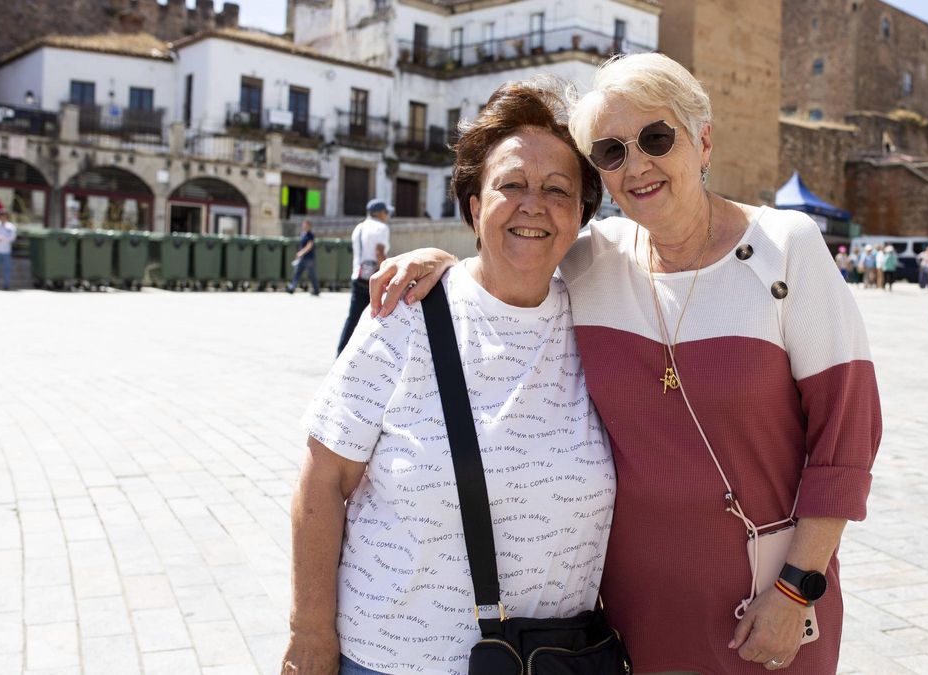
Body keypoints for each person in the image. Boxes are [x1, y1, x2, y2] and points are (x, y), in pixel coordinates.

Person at [370, 52, 882, 674]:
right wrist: (440, 261)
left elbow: (847, 439)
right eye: (611, 152)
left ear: (703, 141)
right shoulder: (595, 260)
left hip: (768, 600)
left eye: (656, 138)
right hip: (633, 617)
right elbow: (514, 249)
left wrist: (797, 587)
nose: (636, 164)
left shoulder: (786, 249)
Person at [282, 81, 613, 675]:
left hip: (552, 661)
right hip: (391, 661)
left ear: (581, 216)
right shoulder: (404, 312)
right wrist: (309, 636)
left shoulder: (601, 320)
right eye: (510, 185)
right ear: (473, 206)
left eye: (557, 190)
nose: (532, 203)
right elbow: (322, 481)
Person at [336, 200, 391, 355]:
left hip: (358, 275)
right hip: (374, 279)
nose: (387, 216)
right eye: (386, 212)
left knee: (353, 318)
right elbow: (380, 251)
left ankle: (341, 353)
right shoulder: (381, 228)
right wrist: (386, 274)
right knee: (380, 318)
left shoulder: (358, 228)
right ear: (380, 213)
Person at [286, 219, 320, 295]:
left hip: (309, 259)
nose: (304, 226)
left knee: (312, 275)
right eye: (304, 225)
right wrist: (298, 256)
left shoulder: (310, 235)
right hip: (302, 258)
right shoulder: (303, 234)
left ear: (309, 226)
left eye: (306, 225)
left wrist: (301, 253)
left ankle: (316, 290)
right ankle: (292, 287)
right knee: (297, 273)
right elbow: (301, 246)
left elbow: (309, 246)